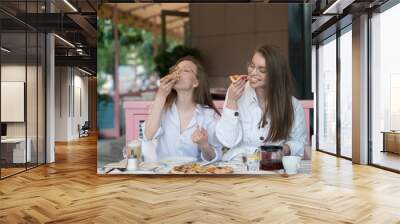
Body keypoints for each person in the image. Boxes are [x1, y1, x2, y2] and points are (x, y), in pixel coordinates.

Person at [216, 45, 307, 161]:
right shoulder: (236, 93)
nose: (253, 73)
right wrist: (231, 101)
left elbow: (298, 141)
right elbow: (228, 141)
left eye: (262, 70)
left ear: (276, 74)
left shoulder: (292, 105)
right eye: (252, 66)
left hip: (272, 165)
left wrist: (284, 149)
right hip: (238, 163)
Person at [143, 56, 222, 162]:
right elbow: (148, 135)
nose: (178, 73)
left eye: (186, 70)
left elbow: (214, 158)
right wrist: (160, 96)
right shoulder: (162, 108)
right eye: (176, 70)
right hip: (163, 175)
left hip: (193, 175)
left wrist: (204, 145)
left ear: (196, 82)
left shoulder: (208, 115)